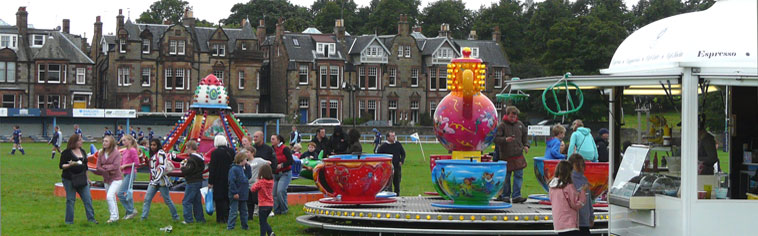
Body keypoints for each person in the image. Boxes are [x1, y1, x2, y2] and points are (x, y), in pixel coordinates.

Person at [494, 107, 529, 203]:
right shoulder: (502, 126)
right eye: (511, 116)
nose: (513, 118)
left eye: (514, 116)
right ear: (507, 115)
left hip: (518, 155)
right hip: (506, 156)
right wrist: (505, 140)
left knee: (519, 176)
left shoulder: (520, 125)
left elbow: (525, 136)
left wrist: (526, 145)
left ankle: (516, 196)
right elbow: (496, 139)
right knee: (506, 177)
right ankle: (505, 195)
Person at [60, 134, 97, 224]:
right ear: (74, 142)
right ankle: (69, 221)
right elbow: (61, 166)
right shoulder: (66, 152)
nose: (82, 141)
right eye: (80, 140)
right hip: (69, 179)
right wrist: (70, 165)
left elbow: (86, 167)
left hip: (82, 178)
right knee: (70, 200)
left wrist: (88, 179)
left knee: (88, 199)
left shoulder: (83, 151)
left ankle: (91, 219)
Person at [141, 139, 180, 221]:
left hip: (161, 181)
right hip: (154, 181)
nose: (152, 147)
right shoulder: (154, 154)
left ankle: (175, 217)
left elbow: (162, 167)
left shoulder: (161, 153)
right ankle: (143, 217)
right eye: (151, 145)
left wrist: (155, 179)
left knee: (167, 200)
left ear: (158, 145)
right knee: (147, 199)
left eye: (154, 145)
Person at [549, 160, 587, 236]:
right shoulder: (568, 187)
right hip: (569, 223)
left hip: (558, 223)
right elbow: (575, 204)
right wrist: (583, 192)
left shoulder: (552, 186)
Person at [96, 136, 123, 223]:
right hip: (106, 178)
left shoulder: (116, 153)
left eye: (106, 141)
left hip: (116, 178)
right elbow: (98, 167)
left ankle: (113, 217)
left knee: (109, 196)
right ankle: (115, 216)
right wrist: (106, 169)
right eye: (103, 141)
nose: (104, 143)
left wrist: (105, 167)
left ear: (111, 143)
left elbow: (116, 166)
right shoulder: (101, 153)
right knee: (112, 198)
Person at [208, 135, 235, 223]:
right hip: (230, 177)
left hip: (218, 178)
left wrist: (210, 181)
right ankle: (228, 217)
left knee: (219, 199)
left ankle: (220, 218)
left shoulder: (215, 153)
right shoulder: (231, 151)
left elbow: (212, 168)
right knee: (227, 198)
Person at [568, 154, 594, 236]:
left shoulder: (584, 179)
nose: (581, 167)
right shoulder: (569, 180)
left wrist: (591, 216)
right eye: (578, 165)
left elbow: (589, 200)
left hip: (584, 221)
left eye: (582, 165)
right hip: (574, 222)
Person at [181, 140, 206, 224]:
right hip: (199, 180)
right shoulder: (200, 158)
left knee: (186, 201)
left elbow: (187, 170)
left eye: (187, 148)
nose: (186, 150)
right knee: (197, 201)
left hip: (192, 181)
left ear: (190, 148)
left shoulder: (191, 159)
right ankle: (200, 219)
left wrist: (182, 167)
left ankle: (188, 220)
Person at [118, 135, 140, 220]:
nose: (123, 142)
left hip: (131, 173)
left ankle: (131, 210)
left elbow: (137, 163)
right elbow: (122, 161)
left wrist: (125, 165)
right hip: (126, 173)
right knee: (128, 193)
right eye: (122, 141)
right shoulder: (125, 151)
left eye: (125, 140)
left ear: (130, 141)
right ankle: (129, 212)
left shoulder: (132, 150)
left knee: (120, 193)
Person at [271, 134, 293, 215]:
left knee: (280, 191)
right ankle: (277, 211)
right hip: (275, 173)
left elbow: (291, 160)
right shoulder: (271, 149)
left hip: (285, 173)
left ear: (278, 140)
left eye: (273, 139)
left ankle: (284, 210)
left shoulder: (285, 149)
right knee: (274, 194)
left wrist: (282, 165)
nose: (271, 140)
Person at [250, 165, 275, 236]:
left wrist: (257, 180)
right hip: (270, 204)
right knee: (264, 221)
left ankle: (264, 234)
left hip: (263, 204)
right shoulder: (271, 181)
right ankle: (270, 233)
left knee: (262, 222)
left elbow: (252, 189)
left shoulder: (261, 182)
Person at [227, 153, 250, 230]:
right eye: (245, 160)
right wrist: (234, 192)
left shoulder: (242, 169)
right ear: (241, 160)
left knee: (244, 211)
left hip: (243, 193)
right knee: (233, 211)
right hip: (236, 193)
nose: (246, 161)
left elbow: (248, 176)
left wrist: (247, 166)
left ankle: (245, 226)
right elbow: (231, 181)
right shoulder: (234, 169)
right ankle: (230, 226)